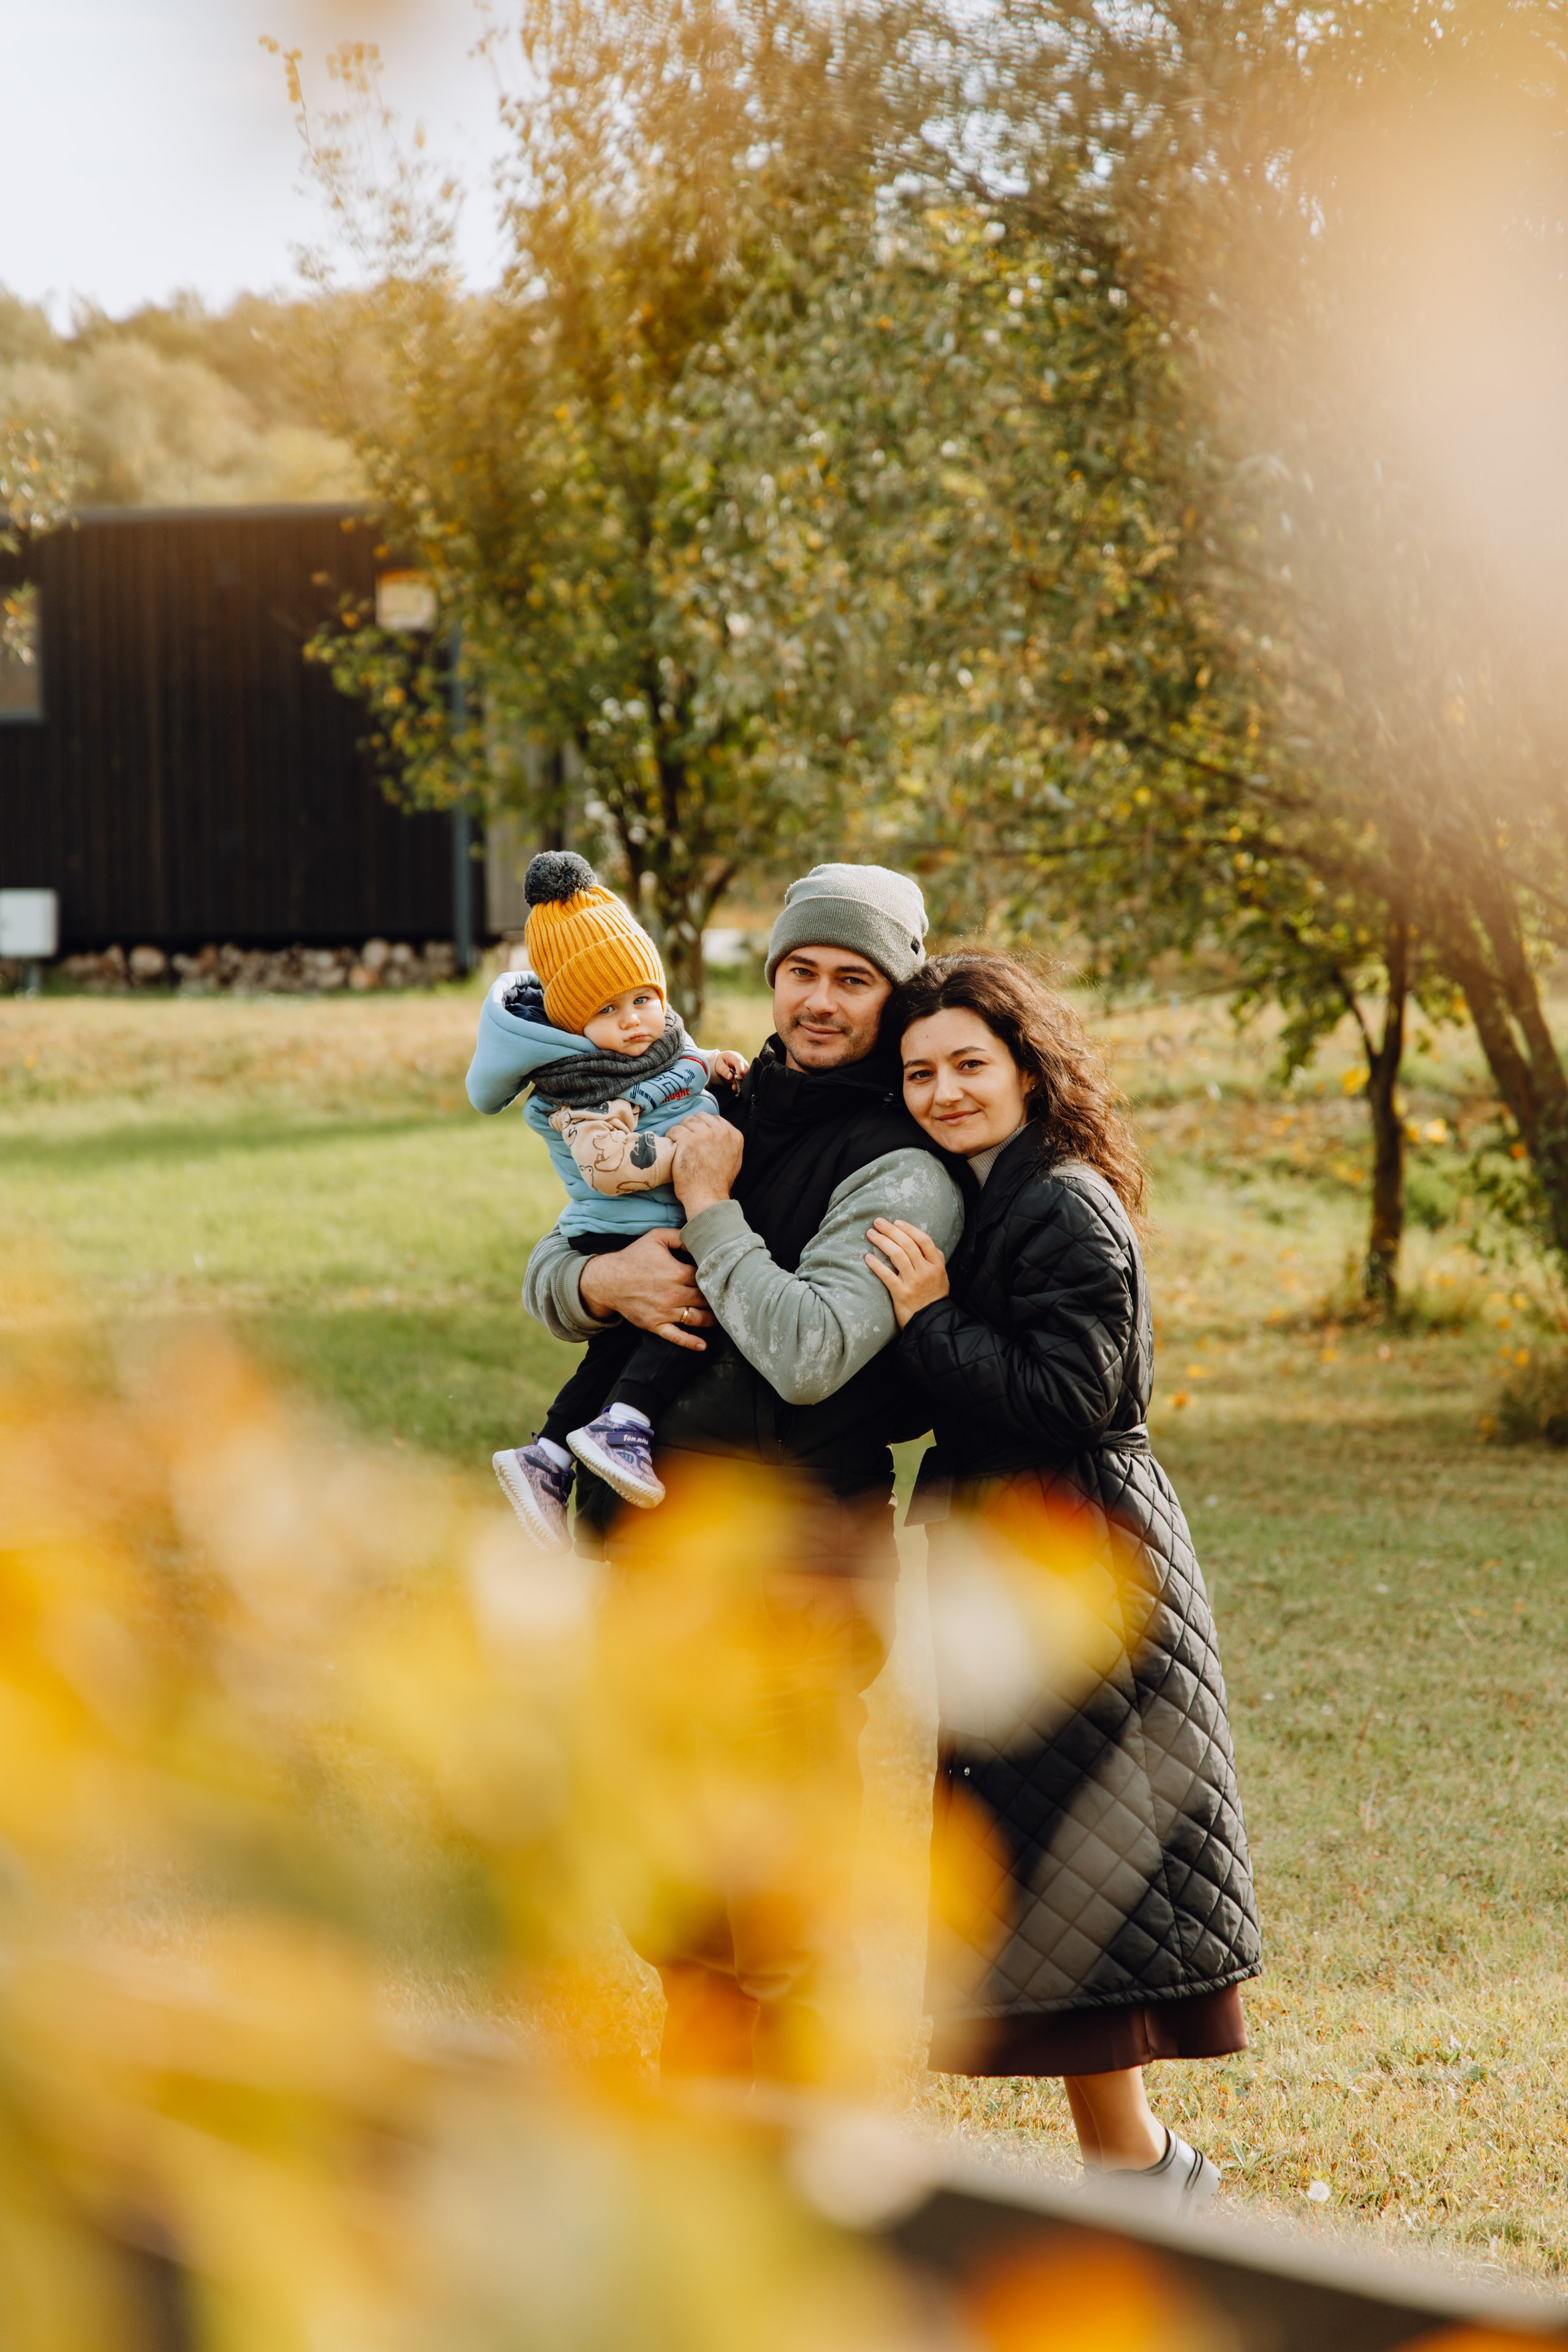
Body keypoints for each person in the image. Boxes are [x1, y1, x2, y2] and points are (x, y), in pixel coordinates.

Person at [523, 862, 967, 2078]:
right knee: (668, 1894)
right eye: (799, 971)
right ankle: (699, 2143)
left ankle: (790, 2179)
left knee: (777, 1912)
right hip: (658, 1558)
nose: (819, 1000)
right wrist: (593, 1285)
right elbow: (566, 1251)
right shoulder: (715, 1091)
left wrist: (710, 1210)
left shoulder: (902, 1167)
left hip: (797, 1577)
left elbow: (811, 1352)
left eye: (852, 977)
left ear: (896, 992)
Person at [864, 951, 1261, 2214]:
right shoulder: (987, 1197)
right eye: (918, 1071)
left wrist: (927, 1316)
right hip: (1031, 1561)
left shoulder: (1062, 1203)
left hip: (1085, 1558)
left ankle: (1144, 2179)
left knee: (1082, 1864)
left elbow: (1065, 1398)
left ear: (1027, 1070)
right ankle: (1139, 2171)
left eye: (967, 1064)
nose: (941, 1091)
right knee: (1053, 1868)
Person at [467, 851, 747, 1550]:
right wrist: (693, 1157)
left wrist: (709, 1063)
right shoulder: (575, 1085)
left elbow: (674, 1076)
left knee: (613, 1352)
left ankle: (549, 1455)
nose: (634, 1022)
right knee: (692, 1314)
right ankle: (624, 1424)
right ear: (572, 1022)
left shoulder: (651, 1046)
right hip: (615, 1229)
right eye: (607, 1009)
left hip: (643, 1229)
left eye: (643, 1000)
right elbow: (611, 1167)